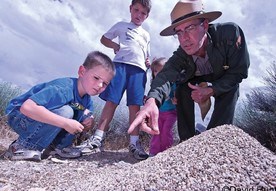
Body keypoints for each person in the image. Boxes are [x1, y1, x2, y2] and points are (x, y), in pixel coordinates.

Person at [128, 0, 250, 142]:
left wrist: (212, 90)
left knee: (231, 88)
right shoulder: (181, 54)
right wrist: (151, 101)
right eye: (179, 32)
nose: (184, 38)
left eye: (190, 28)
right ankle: (187, 142)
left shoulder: (229, 34)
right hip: (196, 80)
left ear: (204, 25)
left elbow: (239, 71)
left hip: (223, 77)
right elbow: (165, 76)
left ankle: (215, 139)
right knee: (182, 88)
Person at [4, 51, 116, 161]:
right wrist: (65, 122)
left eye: (105, 83)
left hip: (33, 119)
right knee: (66, 112)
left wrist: (89, 119)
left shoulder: (86, 99)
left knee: (77, 113)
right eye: (96, 78)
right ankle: (21, 147)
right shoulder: (63, 88)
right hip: (19, 117)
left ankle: (58, 148)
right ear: (82, 71)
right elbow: (27, 107)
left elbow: (85, 110)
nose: (100, 85)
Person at [77, 0, 151, 160]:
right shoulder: (121, 25)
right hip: (120, 67)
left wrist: (147, 61)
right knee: (111, 101)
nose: (139, 15)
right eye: (136, 10)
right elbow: (104, 39)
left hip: (139, 71)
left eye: (143, 13)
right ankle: (97, 139)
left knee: (135, 106)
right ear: (130, 9)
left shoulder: (146, 35)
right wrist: (114, 46)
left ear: (147, 15)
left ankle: (134, 143)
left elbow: (146, 53)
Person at [148, 57, 177, 157]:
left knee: (166, 131)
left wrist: (175, 99)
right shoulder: (154, 84)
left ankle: (166, 152)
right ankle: (154, 152)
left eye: (162, 71)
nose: (158, 74)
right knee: (156, 132)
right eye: (156, 71)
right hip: (158, 113)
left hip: (171, 112)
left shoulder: (172, 84)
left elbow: (176, 96)